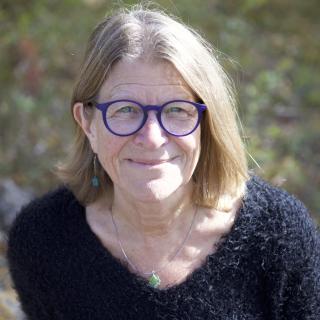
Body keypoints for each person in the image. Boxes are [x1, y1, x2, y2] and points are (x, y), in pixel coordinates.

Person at [7, 5, 320, 320]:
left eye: (177, 110)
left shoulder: (280, 236)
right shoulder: (42, 239)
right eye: (126, 110)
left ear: (207, 123)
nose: (153, 138)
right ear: (88, 123)